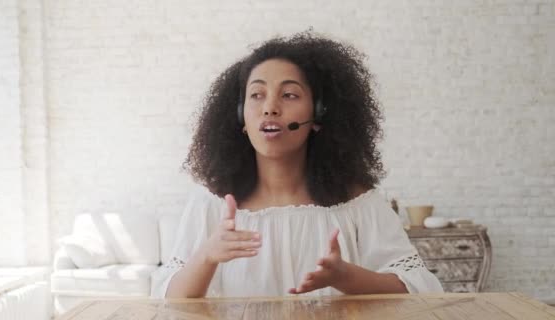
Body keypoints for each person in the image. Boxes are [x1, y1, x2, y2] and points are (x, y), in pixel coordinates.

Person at [151, 32, 443, 298]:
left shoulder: (358, 203)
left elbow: (422, 290)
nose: (270, 107)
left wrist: (348, 277)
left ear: (318, 115)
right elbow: (168, 301)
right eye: (257, 95)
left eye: (289, 95)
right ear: (241, 117)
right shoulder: (211, 203)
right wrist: (206, 256)